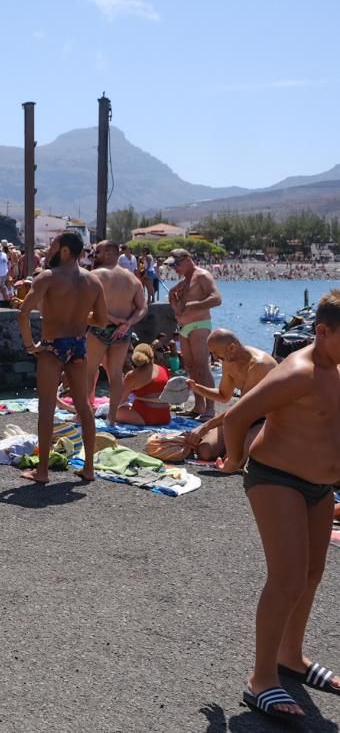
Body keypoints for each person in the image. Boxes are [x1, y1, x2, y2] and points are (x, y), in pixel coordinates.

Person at [219, 290, 340, 723]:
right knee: (287, 579)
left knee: (312, 573)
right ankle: (261, 680)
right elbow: (237, 417)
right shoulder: (300, 372)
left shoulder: (336, 366)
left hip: (320, 487)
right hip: (277, 479)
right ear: (322, 331)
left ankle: (292, 657)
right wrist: (233, 461)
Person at [17, 231, 108, 484]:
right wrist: (79, 319)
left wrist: (30, 345)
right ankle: (89, 468)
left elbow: (23, 313)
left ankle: (42, 471)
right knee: (84, 406)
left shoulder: (48, 277)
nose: (49, 250)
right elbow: (101, 320)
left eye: (53, 245)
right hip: (78, 345)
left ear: (65, 250)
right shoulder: (93, 281)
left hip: (52, 345)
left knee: (46, 406)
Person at [182, 329, 277, 461]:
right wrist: (196, 388)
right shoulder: (228, 361)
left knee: (233, 459)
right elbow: (223, 395)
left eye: (215, 353)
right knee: (205, 451)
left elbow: (243, 407)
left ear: (232, 347)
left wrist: (205, 426)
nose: (214, 358)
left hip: (265, 419)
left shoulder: (259, 365)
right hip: (241, 417)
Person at [84, 240, 149, 425]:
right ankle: (112, 417)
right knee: (115, 374)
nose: (95, 254)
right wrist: (127, 323)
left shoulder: (95, 275)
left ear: (109, 253)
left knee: (89, 372)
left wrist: (113, 319)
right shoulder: (131, 278)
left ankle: (85, 413)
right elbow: (142, 308)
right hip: (122, 333)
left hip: (100, 327)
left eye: (98, 251)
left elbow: (87, 307)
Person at [166, 248, 222, 420]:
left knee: (202, 367)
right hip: (184, 327)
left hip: (199, 325)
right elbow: (175, 301)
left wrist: (193, 306)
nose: (174, 268)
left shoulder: (202, 276)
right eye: (172, 265)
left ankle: (210, 408)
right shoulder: (184, 281)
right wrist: (174, 299)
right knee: (190, 368)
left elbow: (217, 298)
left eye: (176, 264)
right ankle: (199, 406)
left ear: (187, 259)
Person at [113, 343, 172, 428]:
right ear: (152, 355)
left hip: (145, 416)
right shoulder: (163, 369)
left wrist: (121, 383)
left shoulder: (132, 375)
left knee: (113, 411)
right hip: (165, 416)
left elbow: (121, 399)